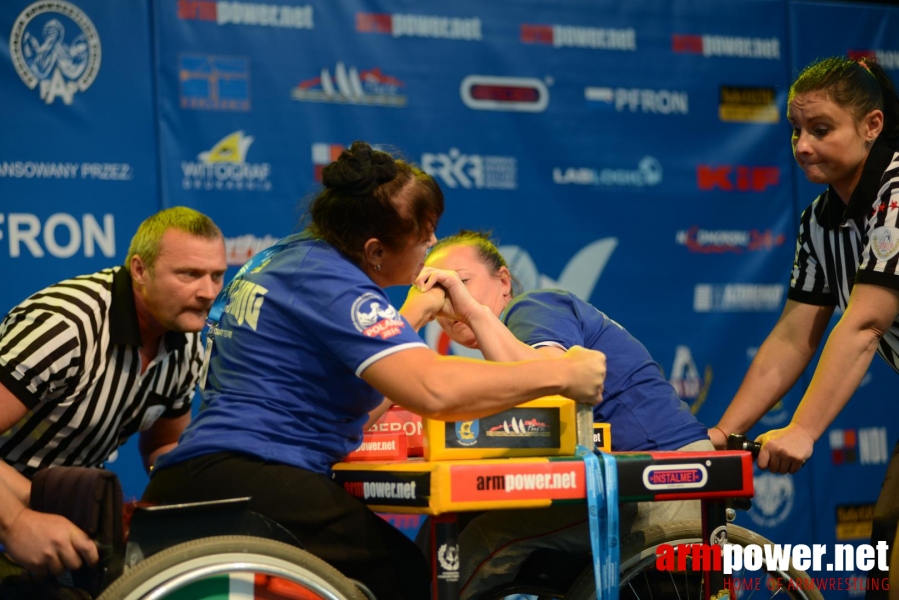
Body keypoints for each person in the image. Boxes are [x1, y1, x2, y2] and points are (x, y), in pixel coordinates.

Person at [141, 142, 607, 600]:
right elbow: (434, 389)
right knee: (406, 576)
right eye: (424, 235)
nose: (432, 245)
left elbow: (371, 396)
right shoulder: (335, 284)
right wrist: (562, 373)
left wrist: (416, 314)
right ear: (375, 250)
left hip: (199, 475)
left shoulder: (284, 257)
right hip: (252, 475)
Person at [417, 230, 711, 599]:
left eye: (460, 283)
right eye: (437, 294)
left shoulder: (532, 307)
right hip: (630, 478)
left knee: (482, 538)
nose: (450, 303)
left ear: (504, 280)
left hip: (664, 483)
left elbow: (549, 380)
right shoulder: (506, 342)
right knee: (458, 516)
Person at [710, 56, 899, 599]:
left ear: (872, 126)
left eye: (821, 130)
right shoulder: (817, 220)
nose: (802, 146)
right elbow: (794, 337)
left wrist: (803, 429)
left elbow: (864, 323)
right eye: (796, 131)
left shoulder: (897, 191)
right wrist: (723, 435)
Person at [0, 206, 226, 578]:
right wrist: (16, 522)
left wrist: (187, 497)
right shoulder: (66, 326)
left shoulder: (186, 343)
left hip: (64, 527)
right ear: (140, 270)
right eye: (189, 274)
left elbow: (161, 448)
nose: (207, 292)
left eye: (217, 276)